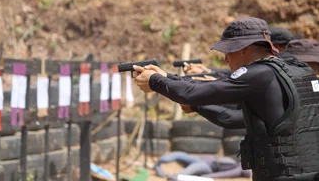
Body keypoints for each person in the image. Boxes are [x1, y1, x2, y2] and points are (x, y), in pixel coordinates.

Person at [133, 17, 319, 181]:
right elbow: (226, 108)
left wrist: (155, 81)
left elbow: (195, 93)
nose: (225, 59)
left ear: (244, 49)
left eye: (228, 52)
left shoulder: (260, 73)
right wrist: (167, 77)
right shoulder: (297, 71)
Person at [154, 151, 251, 180]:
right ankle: (158, 163)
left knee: (184, 173)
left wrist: (207, 177)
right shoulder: (234, 161)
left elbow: (223, 174)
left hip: (207, 167)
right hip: (201, 159)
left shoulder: (238, 169)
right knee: (179, 155)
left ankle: (172, 177)